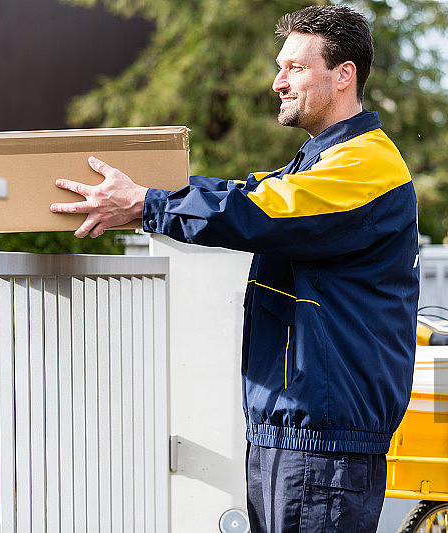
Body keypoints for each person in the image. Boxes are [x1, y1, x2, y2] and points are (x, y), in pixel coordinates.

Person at [51, 5, 419, 532]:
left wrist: (147, 205)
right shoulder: (320, 162)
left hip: (323, 446)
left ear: (344, 75)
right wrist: (147, 196)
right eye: (279, 66)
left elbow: (256, 213)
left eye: (293, 66)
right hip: (293, 435)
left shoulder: (366, 165)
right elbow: (246, 194)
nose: (278, 81)